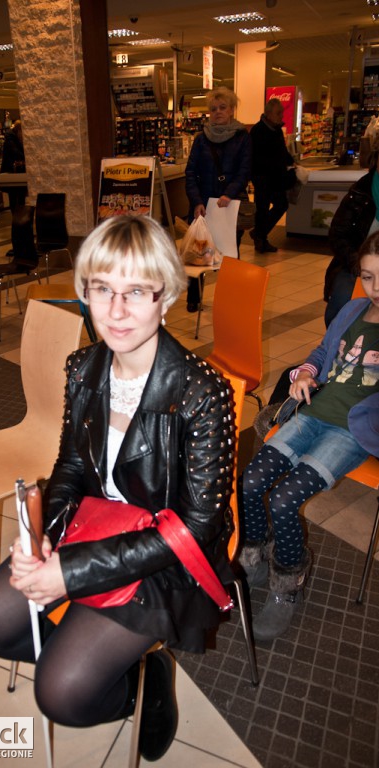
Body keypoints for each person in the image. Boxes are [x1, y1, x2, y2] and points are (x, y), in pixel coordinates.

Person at [0, 215, 236, 761]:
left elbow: (197, 527)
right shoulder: (84, 367)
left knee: (62, 695)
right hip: (93, 526)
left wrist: (70, 572)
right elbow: (69, 467)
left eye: (136, 291)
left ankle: (142, 682)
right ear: (84, 292)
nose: (115, 311)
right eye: (101, 289)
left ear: (166, 296)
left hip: (166, 557)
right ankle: (110, 661)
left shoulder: (203, 391)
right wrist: (43, 538)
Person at [238, 230, 379, 641]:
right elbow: (321, 352)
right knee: (251, 481)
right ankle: (254, 555)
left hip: (351, 432)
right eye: (368, 277)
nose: (375, 288)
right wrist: (305, 373)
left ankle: (288, 585)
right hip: (313, 412)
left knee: (284, 499)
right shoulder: (353, 309)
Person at [185, 86, 252, 311]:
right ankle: (194, 298)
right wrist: (196, 201)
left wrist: (229, 193)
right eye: (213, 109)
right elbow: (190, 172)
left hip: (229, 205)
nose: (218, 112)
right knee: (199, 253)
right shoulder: (201, 139)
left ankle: (228, 300)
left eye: (223, 107)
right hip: (203, 206)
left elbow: (244, 170)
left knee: (229, 254)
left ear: (231, 109)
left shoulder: (242, 137)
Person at [324, 146, 379, 327]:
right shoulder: (360, 191)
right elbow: (337, 234)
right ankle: (338, 343)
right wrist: (356, 261)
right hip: (356, 264)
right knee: (338, 309)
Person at [249, 98, 295, 254]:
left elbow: (282, 152)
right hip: (262, 178)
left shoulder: (276, 130)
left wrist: (291, 161)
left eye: (282, 112)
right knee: (262, 209)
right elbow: (256, 157)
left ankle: (259, 233)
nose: (281, 116)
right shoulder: (258, 131)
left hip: (276, 178)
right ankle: (261, 239)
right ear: (268, 114)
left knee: (281, 205)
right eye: (278, 113)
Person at [0, 120, 32, 258]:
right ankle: (19, 244)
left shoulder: (13, 140)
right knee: (17, 210)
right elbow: (17, 154)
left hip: (16, 181)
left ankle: (21, 243)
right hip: (13, 181)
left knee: (19, 210)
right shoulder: (10, 141)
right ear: (19, 131)